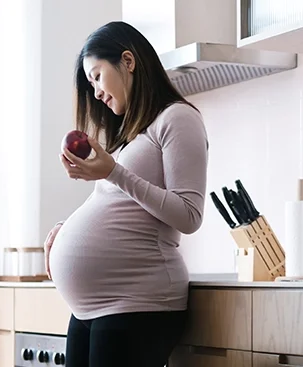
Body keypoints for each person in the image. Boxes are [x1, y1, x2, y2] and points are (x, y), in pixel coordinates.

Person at [43, 21, 208, 367]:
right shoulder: (131, 135)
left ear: (128, 61)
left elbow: (189, 215)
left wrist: (114, 172)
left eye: (97, 76)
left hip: (137, 303)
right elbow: (115, 203)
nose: (96, 92)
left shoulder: (177, 118)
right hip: (91, 309)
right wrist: (65, 230)